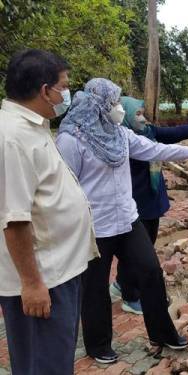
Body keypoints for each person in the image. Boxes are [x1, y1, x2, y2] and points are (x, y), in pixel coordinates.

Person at [55, 78, 188, 364]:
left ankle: (162, 333)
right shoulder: (71, 139)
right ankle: (98, 345)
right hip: (95, 227)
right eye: (114, 101)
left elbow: (153, 148)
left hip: (128, 220)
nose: (118, 107)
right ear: (99, 104)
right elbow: (65, 187)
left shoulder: (119, 133)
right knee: (94, 289)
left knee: (151, 273)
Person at [0, 49, 97, 374]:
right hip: (44, 278)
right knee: (43, 364)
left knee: (53, 359)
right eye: (64, 85)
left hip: (58, 270)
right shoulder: (12, 138)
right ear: (45, 90)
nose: (66, 93)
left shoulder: (32, 127)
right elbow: (14, 219)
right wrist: (31, 284)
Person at [109, 97, 188, 315]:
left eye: (142, 112)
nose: (143, 117)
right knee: (135, 253)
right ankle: (130, 295)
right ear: (124, 115)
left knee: (143, 245)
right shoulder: (122, 141)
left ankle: (120, 284)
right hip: (134, 202)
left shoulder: (148, 132)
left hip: (152, 200)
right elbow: (159, 150)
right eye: (137, 114)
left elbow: (175, 134)